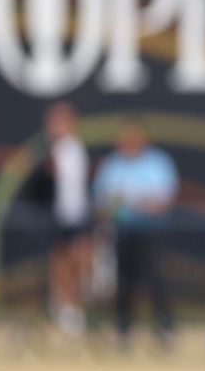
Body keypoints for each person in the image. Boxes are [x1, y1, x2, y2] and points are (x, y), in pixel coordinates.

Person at [92, 117, 178, 348]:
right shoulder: (112, 165)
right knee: (123, 284)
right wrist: (128, 204)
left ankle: (164, 330)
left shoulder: (158, 163)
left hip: (152, 233)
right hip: (122, 232)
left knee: (156, 282)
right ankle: (123, 331)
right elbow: (102, 203)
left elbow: (161, 201)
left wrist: (128, 203)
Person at [44, 102, 93, 338]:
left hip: (78, 215)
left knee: (82, 261)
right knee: (61, 263)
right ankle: (63, 310)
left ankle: (74, 309)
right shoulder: (49, 153)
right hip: (59, 217)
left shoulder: (77, 149)